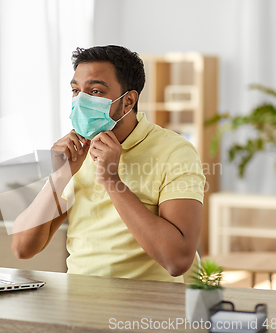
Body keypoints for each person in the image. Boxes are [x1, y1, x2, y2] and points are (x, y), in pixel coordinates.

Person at [11, 45, 205, 282]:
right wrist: (60, 177)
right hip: (80, 301)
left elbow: (177, 260)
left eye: (95, 91)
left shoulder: (175, 151)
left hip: (147, 308)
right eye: (75, 90)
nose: (81, 100)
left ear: (128, 101)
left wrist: (111, 181)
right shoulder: (78, 152)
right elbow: (22, 248)